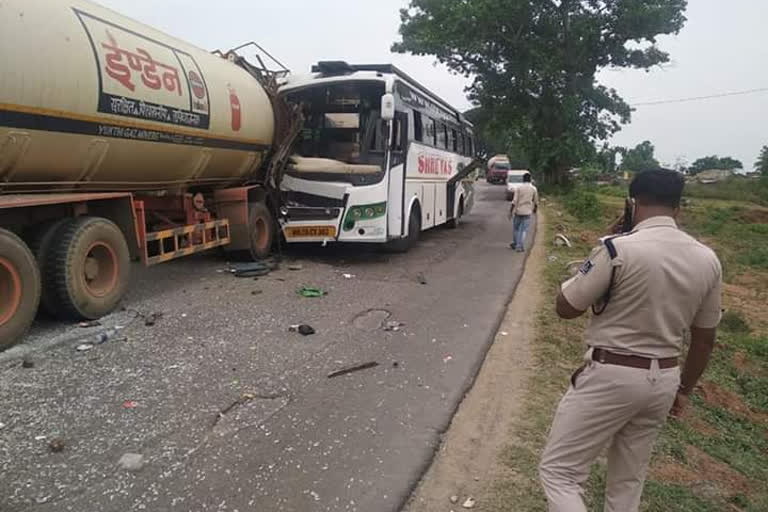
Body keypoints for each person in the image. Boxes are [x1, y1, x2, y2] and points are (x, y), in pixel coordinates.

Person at [538, 169, 722, 512]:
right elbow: (704, 340)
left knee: (560, 473)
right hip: (663, 379)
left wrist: (595, 262)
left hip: (611, 374)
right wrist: (684, 390)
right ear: (678, 208)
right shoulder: (708, 259)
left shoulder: (616, 249)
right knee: (627, 483)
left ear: (632, 203)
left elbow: (566, 308)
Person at [509, 173, 538, 252]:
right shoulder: (533, 189)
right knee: (524, 230)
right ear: (530, 179)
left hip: (518, 211)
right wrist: (535, 209)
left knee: (516, 229)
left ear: (523, 179)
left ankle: (515, 243)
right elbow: (535, 201)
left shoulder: (519, 188)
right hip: (528, 212)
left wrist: (510, 211)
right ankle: (520, 246)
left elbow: (514, 201)